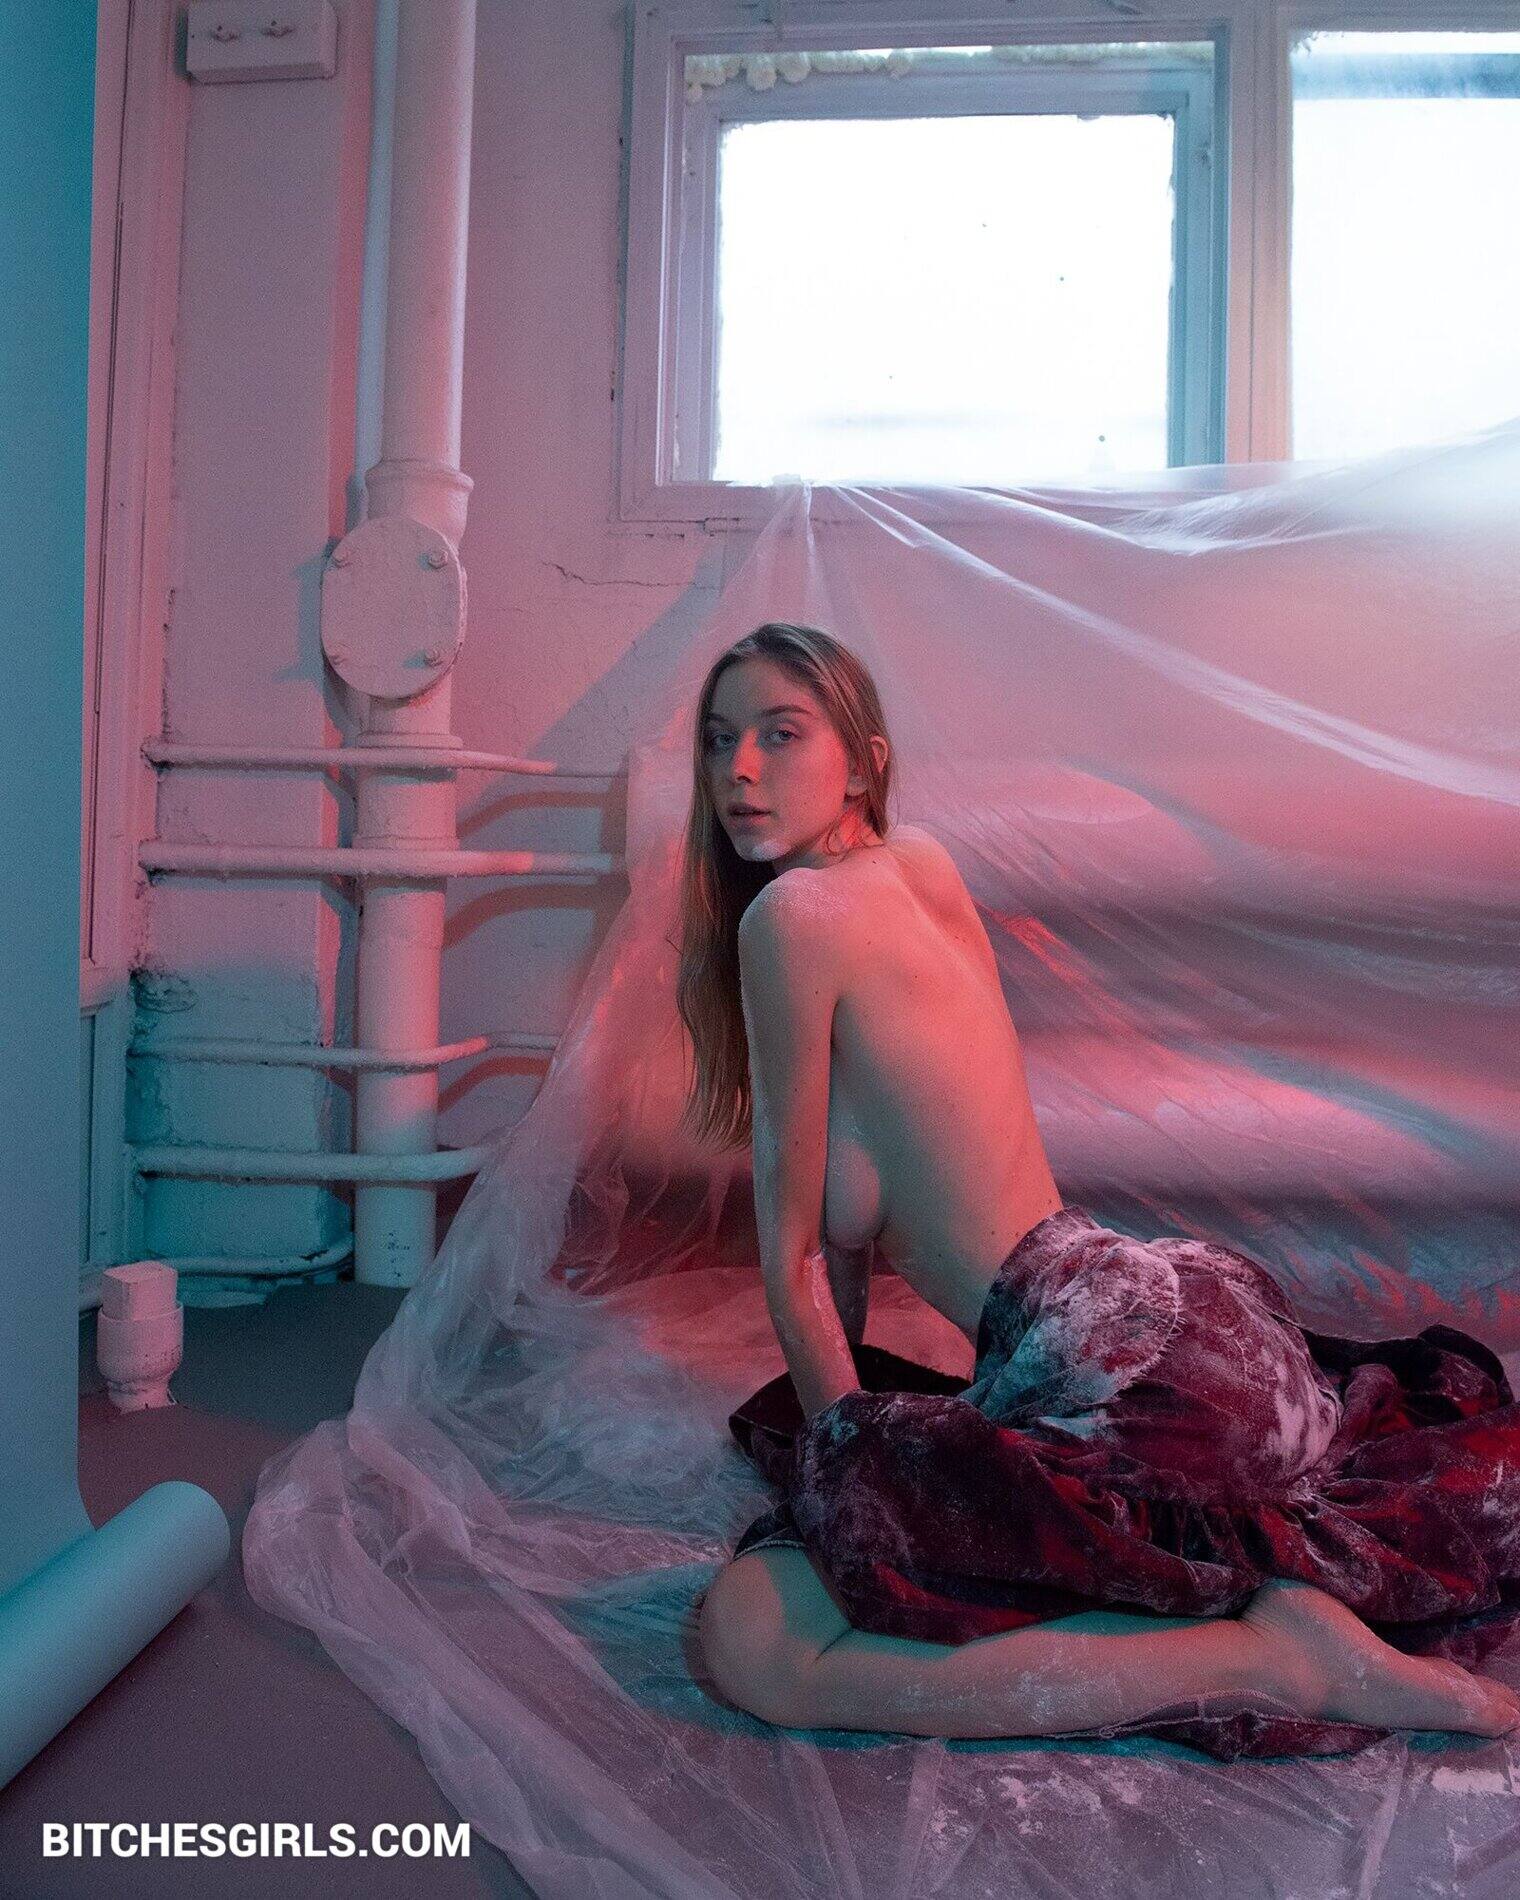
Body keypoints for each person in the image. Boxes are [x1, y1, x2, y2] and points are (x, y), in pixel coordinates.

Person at [679, 620, 1520, 1750]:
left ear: (863, 761)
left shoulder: (790, 918)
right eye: (718, 739)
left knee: (752, 1641)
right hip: (1186, 1308)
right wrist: (872, 1440)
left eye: (780, 735)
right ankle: (1270, 1632)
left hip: (1122, 1372)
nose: (738, 770)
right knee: (843, 1517)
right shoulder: (916, 864)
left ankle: (1277, 1657)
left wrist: (852, 1475)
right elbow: (844, 1245)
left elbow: (793, 1257)